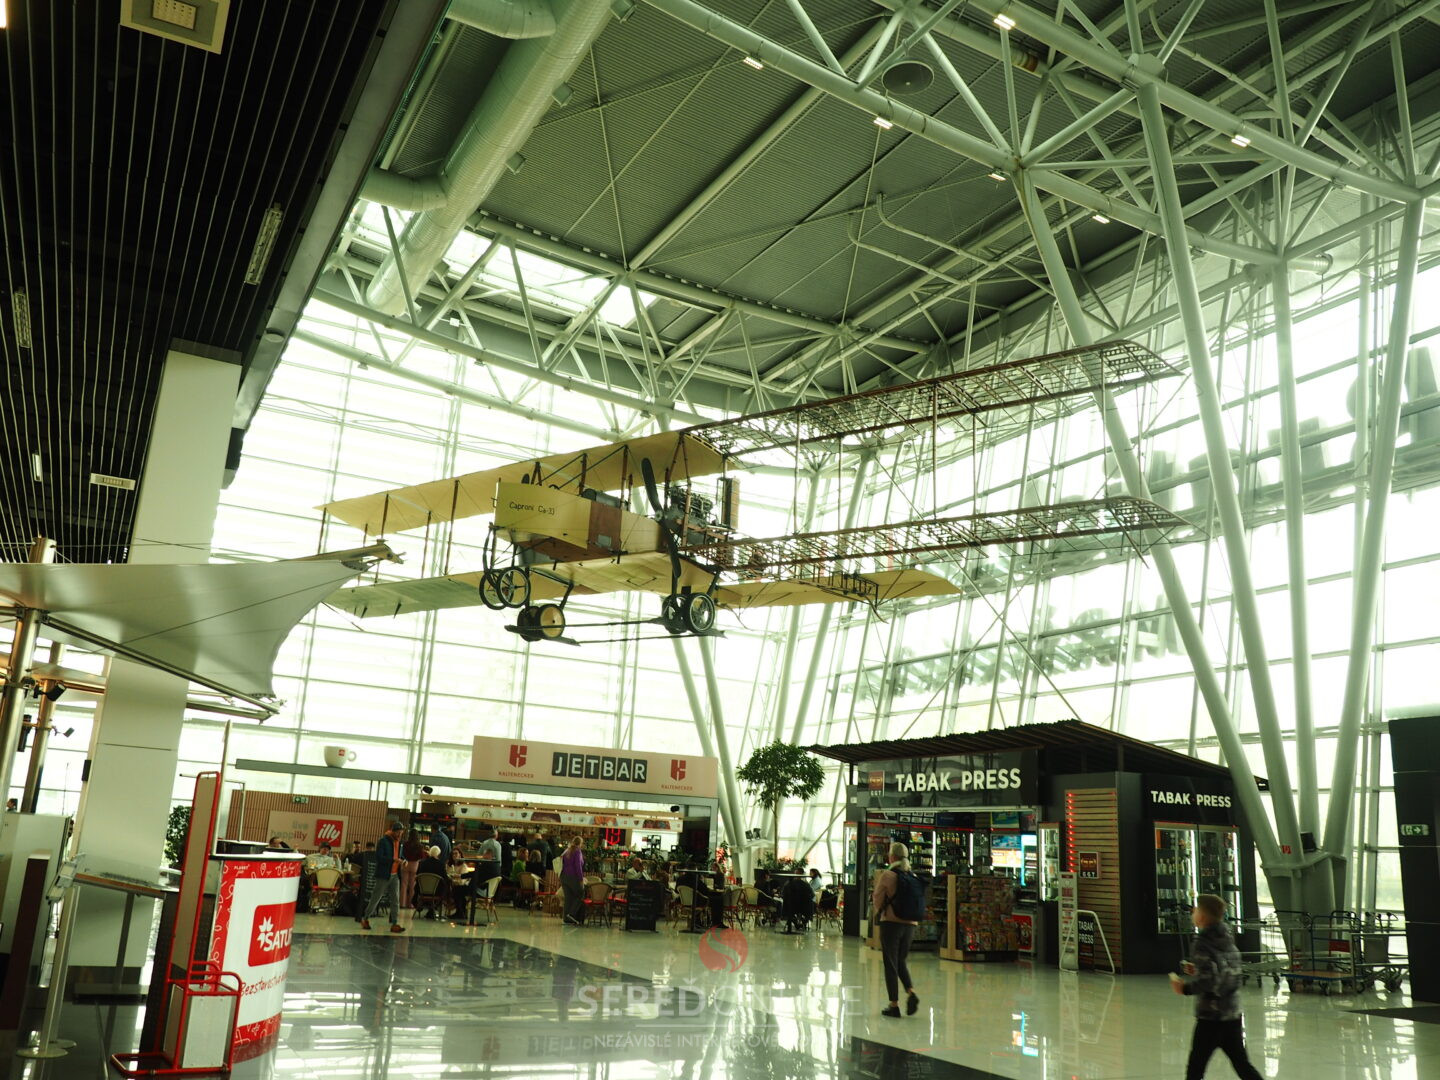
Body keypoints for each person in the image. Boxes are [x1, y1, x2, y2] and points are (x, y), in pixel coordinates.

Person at [1170, 894, 1264, 1080]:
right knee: (1242, 1065)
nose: (1193, 913)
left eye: (1196, 910)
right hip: (1232, 1013)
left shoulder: (1202, 943)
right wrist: (1198, 969)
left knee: (1195, 1069)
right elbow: (1228, 971)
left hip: (1211, 1017)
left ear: (1202, 916)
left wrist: (1184, 988)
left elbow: (1210, 981)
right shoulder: (1227, 937)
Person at [872, 842, 920, 1019]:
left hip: (891, 924)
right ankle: (911, 991)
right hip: (910, 924)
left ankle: (894, 1005)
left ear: (892, 857)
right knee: (901, 961)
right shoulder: (912, 875)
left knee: (890, 964)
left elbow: (877, 899)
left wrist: (881, 911)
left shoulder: (888, 875)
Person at [360, 821, 406, 933]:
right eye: (398, 833)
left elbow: (399, 855)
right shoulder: (383, 841)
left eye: (401, 833)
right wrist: (393, 860)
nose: (400, 835)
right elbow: (379, 857)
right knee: (376, 898)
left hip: (395, 875)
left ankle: (394, 923)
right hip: (383, 875)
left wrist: (404, 860)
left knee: (395, 900)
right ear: (393, 831)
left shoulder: (399, 843)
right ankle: (365, 918)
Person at [415, 845, 449, 919]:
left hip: (422, 890)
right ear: (438, 854)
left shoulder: (422, 863)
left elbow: (417, 875)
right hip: (436, 891)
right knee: (445, 887)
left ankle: (426, 907)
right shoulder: (441, 864)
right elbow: (445, 878)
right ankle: (435, 907)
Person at [560, 836, 585, 926]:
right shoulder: (577, 851)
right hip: (573, 876)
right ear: (580, 844)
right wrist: (581, 879)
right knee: (580, 894)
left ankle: (566, 919)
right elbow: (578, 866)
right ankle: (571, 914)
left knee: (568, 898)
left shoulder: (567, 850)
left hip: (563, 876)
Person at [400, 829, 424, 911]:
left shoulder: (406, 844)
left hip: (406, 864)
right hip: (414, 865)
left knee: (404, 885)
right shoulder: (419, 845)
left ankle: (402, 903)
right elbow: (421, 856)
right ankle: (410, 904)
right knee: (412, 885)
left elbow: (402, 854)